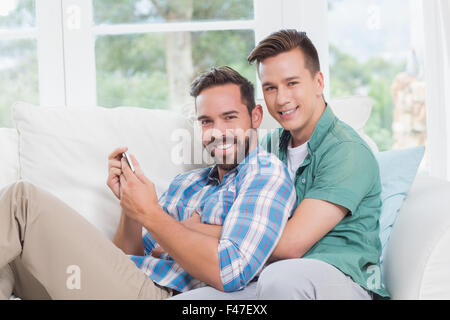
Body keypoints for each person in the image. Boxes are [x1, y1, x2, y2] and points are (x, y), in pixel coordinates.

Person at [0, 66, 296, 300]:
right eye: (206, 121)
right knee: (10, 260)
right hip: (124, 283)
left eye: (229, 117)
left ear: (255, 116)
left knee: (21, 201)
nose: (217, 132)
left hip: (158, 294)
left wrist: (152, 215)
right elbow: (127, 257)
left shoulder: (265, 173)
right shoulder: (188, 183)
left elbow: (229, 270)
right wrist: (130, 208)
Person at [174, 30, 390, 300]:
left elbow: (289, 245)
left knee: (282, 279)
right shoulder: (268, 147)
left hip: (340, 280)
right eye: (270, 88)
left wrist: (193, 230)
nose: (281, 98)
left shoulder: (347, 151)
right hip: (269, 277)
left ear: (318, 82)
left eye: (292, 83)